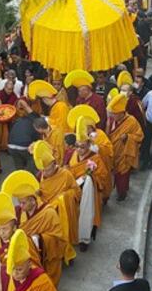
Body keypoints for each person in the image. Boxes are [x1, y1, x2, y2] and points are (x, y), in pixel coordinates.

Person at [1, 171, 67, 286]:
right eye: (19, 203)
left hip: (45, 255)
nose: (20, 206)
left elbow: (58, 238)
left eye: (23, 203)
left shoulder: (48, 213)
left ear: (33, 200)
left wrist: (38, 239)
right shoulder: (18, 212)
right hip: (26, 254)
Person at [68, 116, 112, 250]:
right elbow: (71, 170)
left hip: (90, 194)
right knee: (75, 215)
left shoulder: (95, 158)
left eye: (82, 146)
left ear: (88, 144)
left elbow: (104, 176)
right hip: (75, 191)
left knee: (87, 216)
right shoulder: (74, 155)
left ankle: (85, 240)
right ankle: (75, 236)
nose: (79, 149)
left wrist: (91, 178)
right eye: (77, 146)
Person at [32, 140, 81, 257]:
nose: (45, 173)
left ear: (54, 164)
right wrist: (37, 194)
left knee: (64, 235)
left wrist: (63, 198)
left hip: (63, 212)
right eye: (43, 170)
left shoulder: (65, 174)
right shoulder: (39, 176)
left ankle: (67, 254)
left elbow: (76, 192)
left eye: (47, 170)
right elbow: (34, 198)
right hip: (47, 213)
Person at [0, 192, 42, 271]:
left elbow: (31, 262)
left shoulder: (22, 238)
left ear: (14, 227)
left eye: (5, 229)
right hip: (0, 271)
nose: (2, 232)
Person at [107, 92, 144, 202]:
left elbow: (140, 136)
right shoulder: (113, 121)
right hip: (114, 152)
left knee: (123, 175)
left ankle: (122, 193)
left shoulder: (131, 121)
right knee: (116, 174)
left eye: (114, 114)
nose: (112, 116)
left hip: (124, 153)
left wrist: (128, 137)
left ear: (121, 113)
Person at [67, 105, 114, 174]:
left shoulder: (99, 134)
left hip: (98, 164)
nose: (85, 130)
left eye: (87, 128)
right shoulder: (78, 136)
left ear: (91, 127)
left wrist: (96, 147)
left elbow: (109, 150)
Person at [7, 109, 40, 175]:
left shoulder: (18, 120)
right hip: (24, 146)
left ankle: (21, 176)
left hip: (10, 145)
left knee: (18, 164)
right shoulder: (34, 124)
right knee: (31, 160)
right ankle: (29, 175)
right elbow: (36, 140)